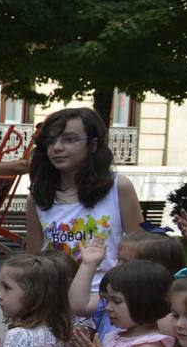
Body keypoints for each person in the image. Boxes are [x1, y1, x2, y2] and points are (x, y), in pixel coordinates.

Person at [24, 107, 142, 293]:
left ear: (93, 144)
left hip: (105, 301)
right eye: (51, 141)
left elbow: (140, 252)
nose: (57, 148)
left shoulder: (119, 187)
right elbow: (34, 261)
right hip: (55, 302)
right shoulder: (38, 197)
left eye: (69, 139)